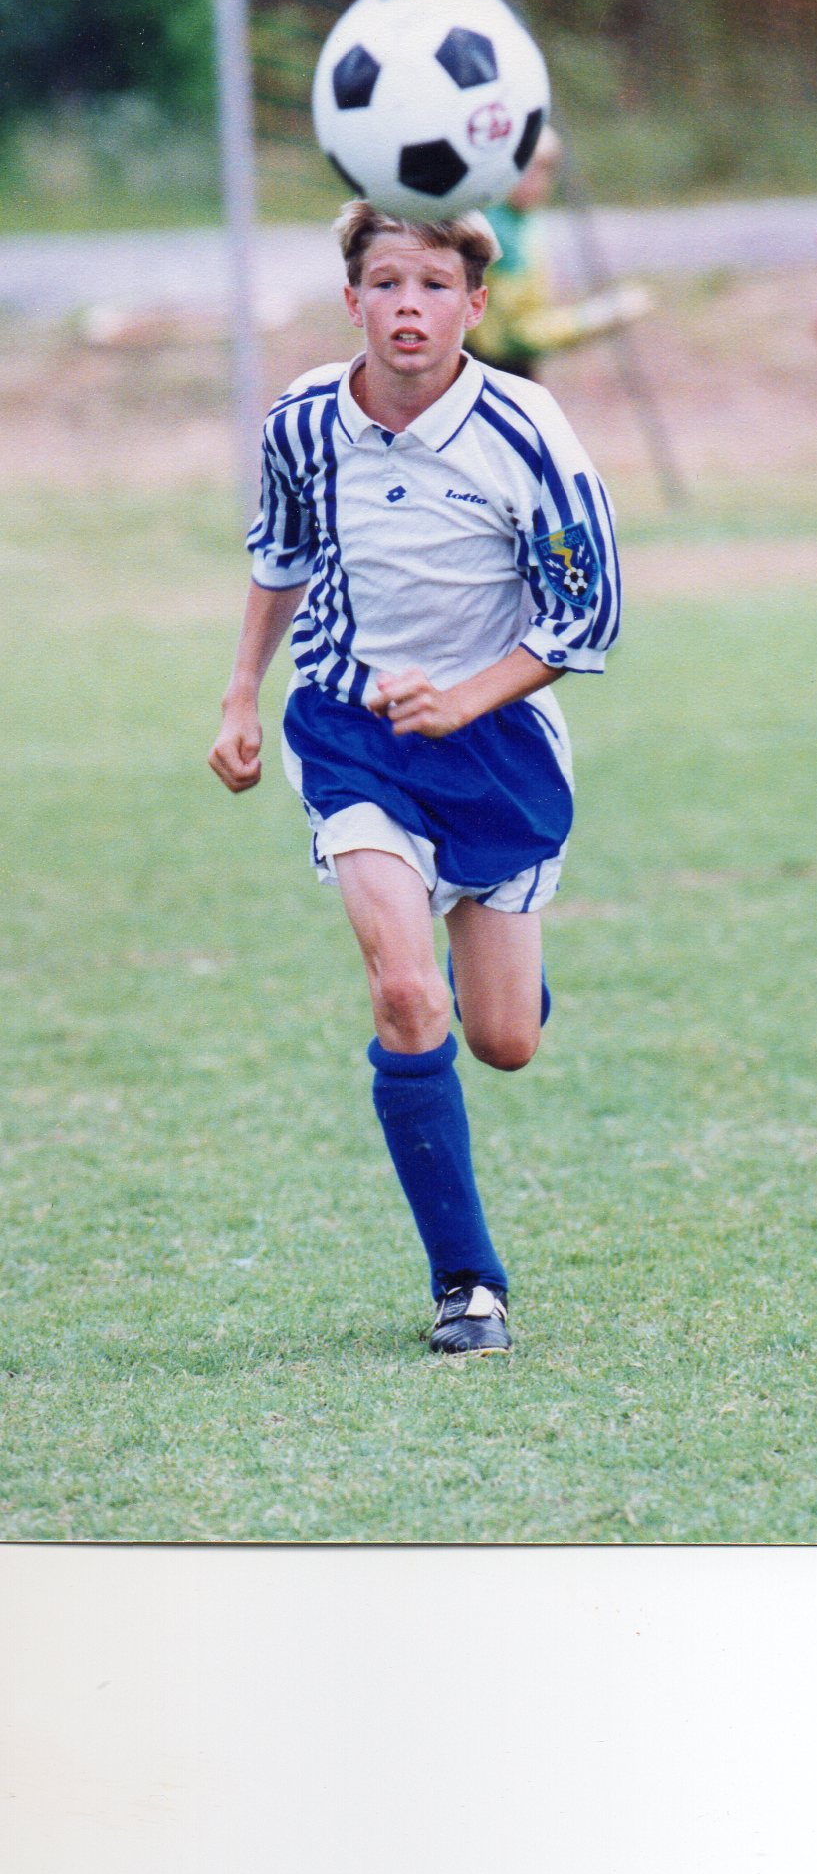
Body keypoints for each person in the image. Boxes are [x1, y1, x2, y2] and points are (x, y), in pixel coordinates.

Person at [209, 200, 620, 1355]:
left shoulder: (527, 429)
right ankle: (468, 1286)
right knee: (404, 995)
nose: (409, 307)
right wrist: (240, 692)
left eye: (435, 286)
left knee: (504, 1038)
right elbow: (281, 557)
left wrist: (465, 697)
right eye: (387, 283)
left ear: (475, 305)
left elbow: (588, 614)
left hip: (498, 747)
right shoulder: (303, 421)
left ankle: (490, 966)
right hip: (352, 733)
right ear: (352, 300)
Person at [467, 124, 651, 380]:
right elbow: (512, 337)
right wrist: (593, 318)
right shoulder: (497, 231)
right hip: (491, 369)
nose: (536, 180)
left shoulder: (522, 217)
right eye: (525, 167)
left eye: (546, 169)